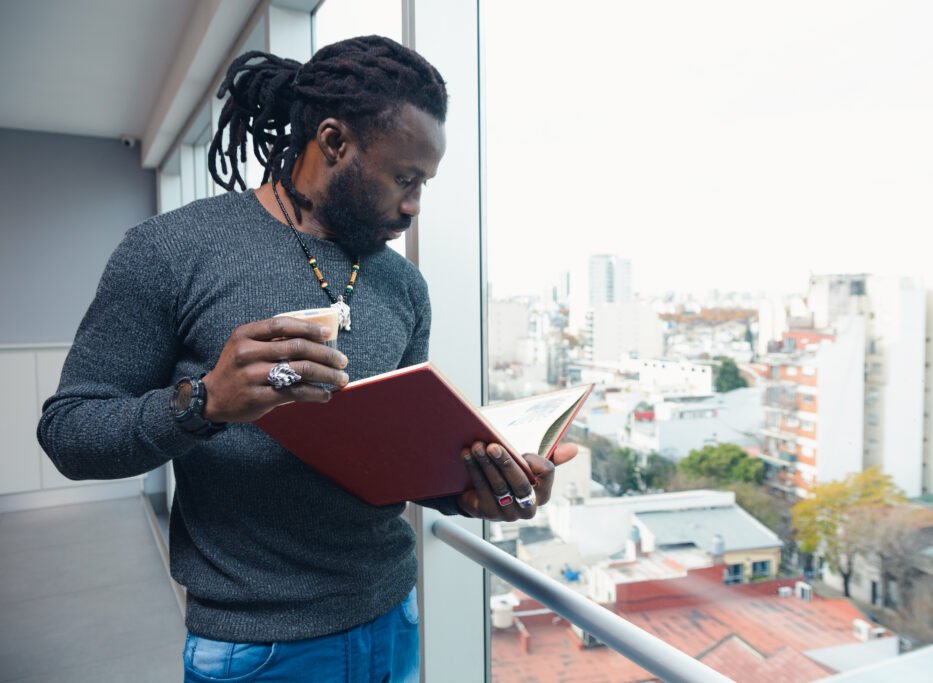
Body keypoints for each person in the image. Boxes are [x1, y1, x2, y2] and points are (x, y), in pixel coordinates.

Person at [37, 35, 576, 682]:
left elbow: (396, 463)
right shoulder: (171, 249)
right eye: (404, 179)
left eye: (425, 184)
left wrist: (479, 492)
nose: (414, 206)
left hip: (393, 618)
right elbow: (69, 431)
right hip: (259, 648)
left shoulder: (405, 287)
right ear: (333, 141)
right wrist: (205, 401)